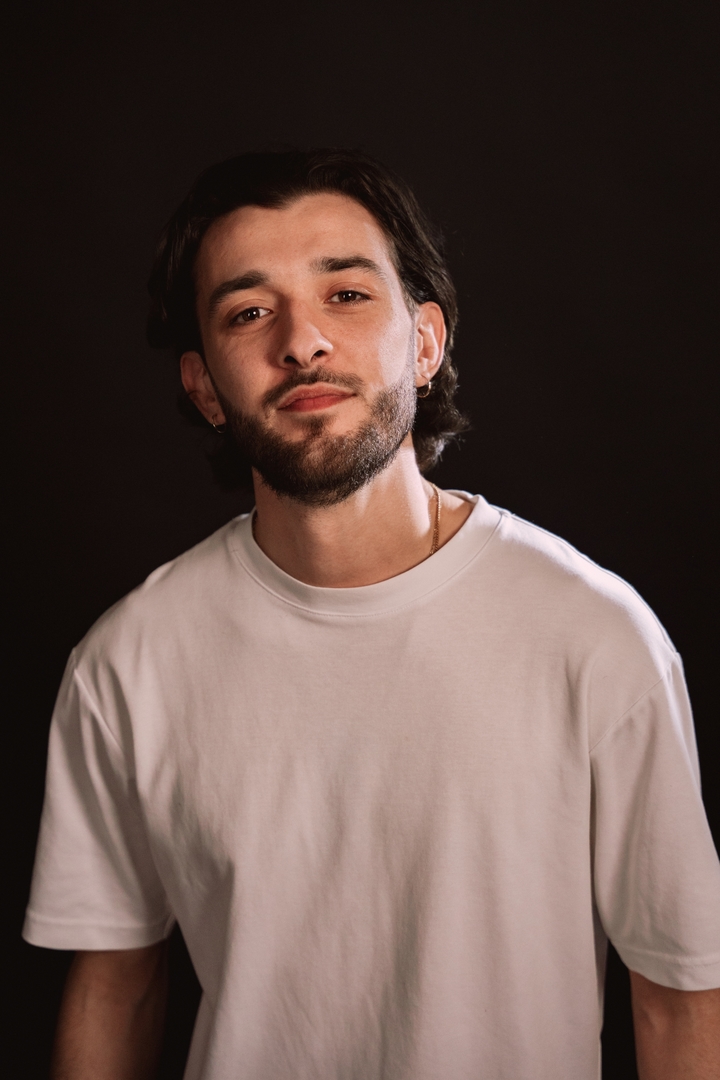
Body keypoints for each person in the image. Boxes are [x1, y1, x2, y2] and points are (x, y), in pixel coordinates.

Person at [24, 149, 720, 1080]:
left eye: (346, 295)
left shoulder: (593, 636)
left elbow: (679, 999)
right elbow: (117, 986)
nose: (302, 341)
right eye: (249, 312)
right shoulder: (127, 661)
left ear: (425, 344)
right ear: (203, 388)